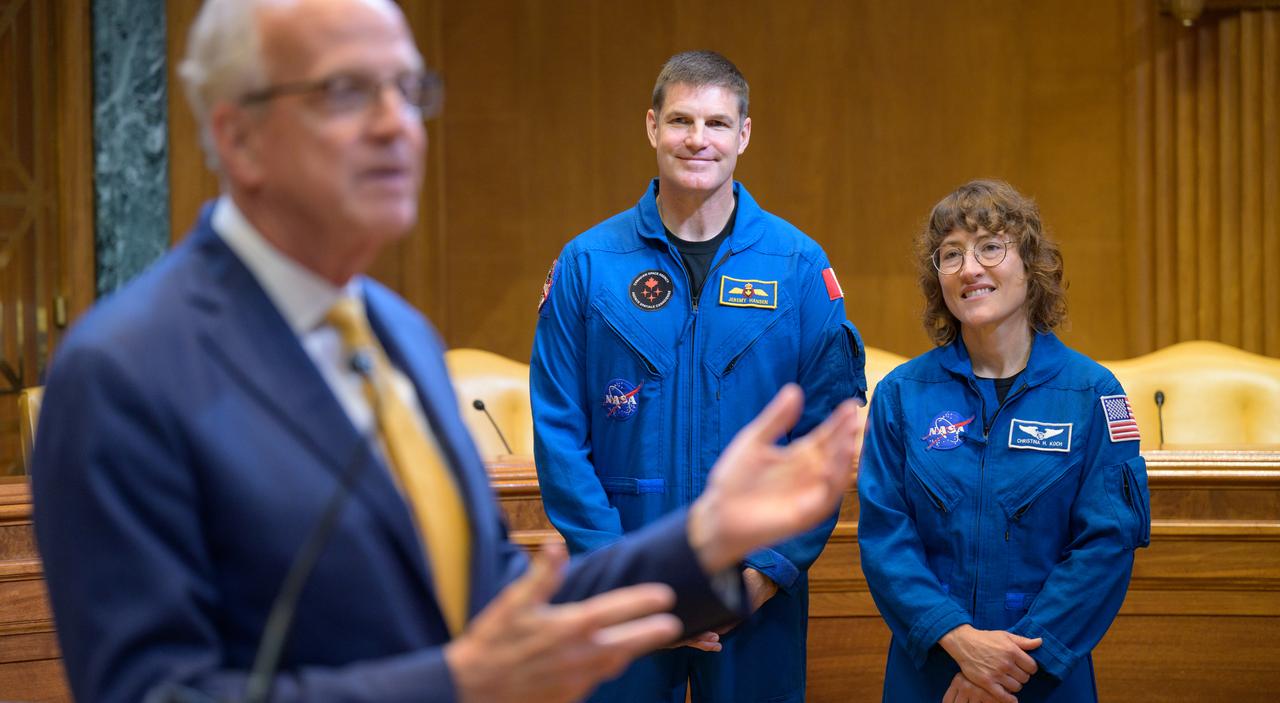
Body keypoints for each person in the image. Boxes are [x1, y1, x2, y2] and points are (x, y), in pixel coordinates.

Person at [28, 2, 866, 702]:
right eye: (347, 92)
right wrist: (457, 680)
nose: (398, 123)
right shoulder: (123, 369)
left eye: (408, 89)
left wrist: (703, 548)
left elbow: (489, 583)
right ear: (237, 137)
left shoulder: (398, 337)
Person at [530, 50, 866, 703]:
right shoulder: (587, 263)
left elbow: (830, 435)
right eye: (681, 120)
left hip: (756, 591)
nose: (697, 139)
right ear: (652, 126)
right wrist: (628, 583)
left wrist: (759, 578)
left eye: (716, 123)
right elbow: (559, 431)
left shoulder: (797, 265)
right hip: (617, 595)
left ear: (743, 135)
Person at [857, 179, 1152, 703]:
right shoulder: (902, 394)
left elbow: (1106, 545)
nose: (970, 268)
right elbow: (885, 539)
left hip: (1044, 674)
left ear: (1030, 264)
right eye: (951, 255)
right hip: (931, 672)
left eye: (991, 246)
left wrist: (1008, 667)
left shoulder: (1094, 393)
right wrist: (962, 644)